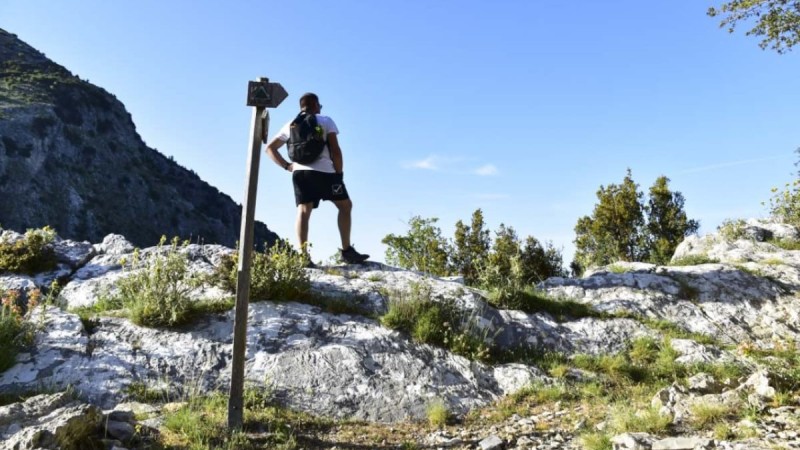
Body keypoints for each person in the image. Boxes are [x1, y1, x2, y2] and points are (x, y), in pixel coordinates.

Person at [265, 92, 369, 267]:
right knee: (345, 206)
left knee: (304, 212)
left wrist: (287, 166)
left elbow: (269, 149)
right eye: (319, 105)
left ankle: (303, 256)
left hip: (300, 174)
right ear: (315, 105)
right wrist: (339, 173)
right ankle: (347, 251)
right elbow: (335, 150)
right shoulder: (325, 121)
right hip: (326, 173)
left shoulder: (291, 124)